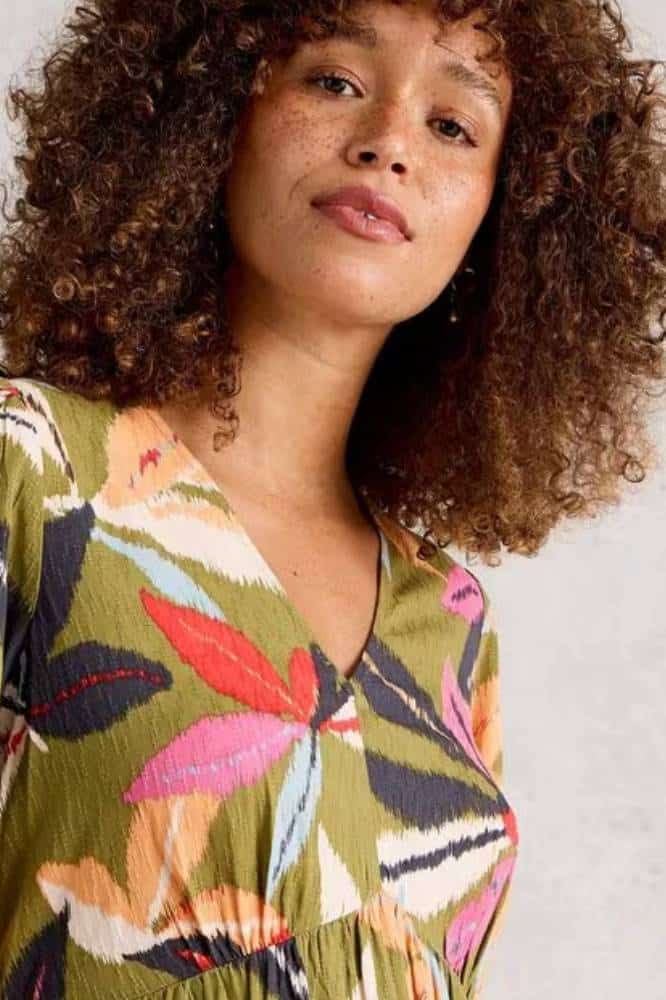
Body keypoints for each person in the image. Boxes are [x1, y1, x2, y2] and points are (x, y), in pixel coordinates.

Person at [0, 0, 663, 996]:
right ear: (213, 109)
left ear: (505, 214)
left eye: (453, 126)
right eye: (336, 81)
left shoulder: (451, 624)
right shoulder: (34, 472)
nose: (389, 143)